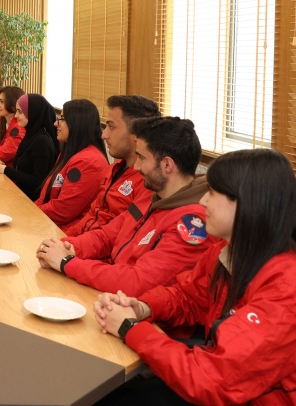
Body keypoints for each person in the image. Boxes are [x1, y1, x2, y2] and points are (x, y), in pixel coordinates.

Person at [93, 149, 296, 406]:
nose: (202, 201)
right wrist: (142, 307)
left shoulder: (290, 289)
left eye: (212, 193)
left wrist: (130, 328)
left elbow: (214, 381)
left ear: (246, 203)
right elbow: (188, 297)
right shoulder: (230, 251)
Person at [37, 116, 217, 298]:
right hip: (113, 294)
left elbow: (138, 282)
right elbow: (106, 237)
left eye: (142, 158)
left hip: (136, 307)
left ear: (167, 165)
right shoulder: (151, 196)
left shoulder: (193, 223)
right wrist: (65, 247)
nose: (136, 167)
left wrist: (67, 262)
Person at [62, 95, 160, 236]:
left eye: (111, 127)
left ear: (136, 134)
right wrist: (64, 239)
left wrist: (70, 244)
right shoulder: (111, 170)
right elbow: (91, 216)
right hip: (80, 242)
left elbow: (118, 238)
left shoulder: (147, 183)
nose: (104, 135)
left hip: (98, 247)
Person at [34, 99, 109, 228]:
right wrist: (30, 210)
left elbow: (62, 210)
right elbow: (45, 196)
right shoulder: (70, 152)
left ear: (77, 123)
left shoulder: (88, 162)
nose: (55, 123)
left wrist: (31, 212)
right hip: (48, 224)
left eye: (62, 119)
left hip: (65, 233)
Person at [0, 92, 59, 200]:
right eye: (16, 111)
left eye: (20, 112)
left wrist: (5, 170)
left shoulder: (42, 141)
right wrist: (4, 166)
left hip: (30, 201)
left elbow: (37, 182)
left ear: (33, 113)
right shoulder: (31, 134)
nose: (16, 116)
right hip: (18, 193)